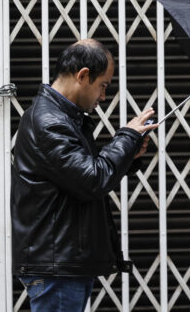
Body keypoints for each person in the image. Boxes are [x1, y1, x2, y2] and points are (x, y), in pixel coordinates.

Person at [11, 39, 158, 311]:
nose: (103, 96)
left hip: (62, 263)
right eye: (103, 85)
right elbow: (93, 179)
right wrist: (125, 138)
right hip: (57, 266)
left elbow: (82, 177)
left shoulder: (63, 118)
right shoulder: (50, 122)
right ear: (83, 75)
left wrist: (128, 157)